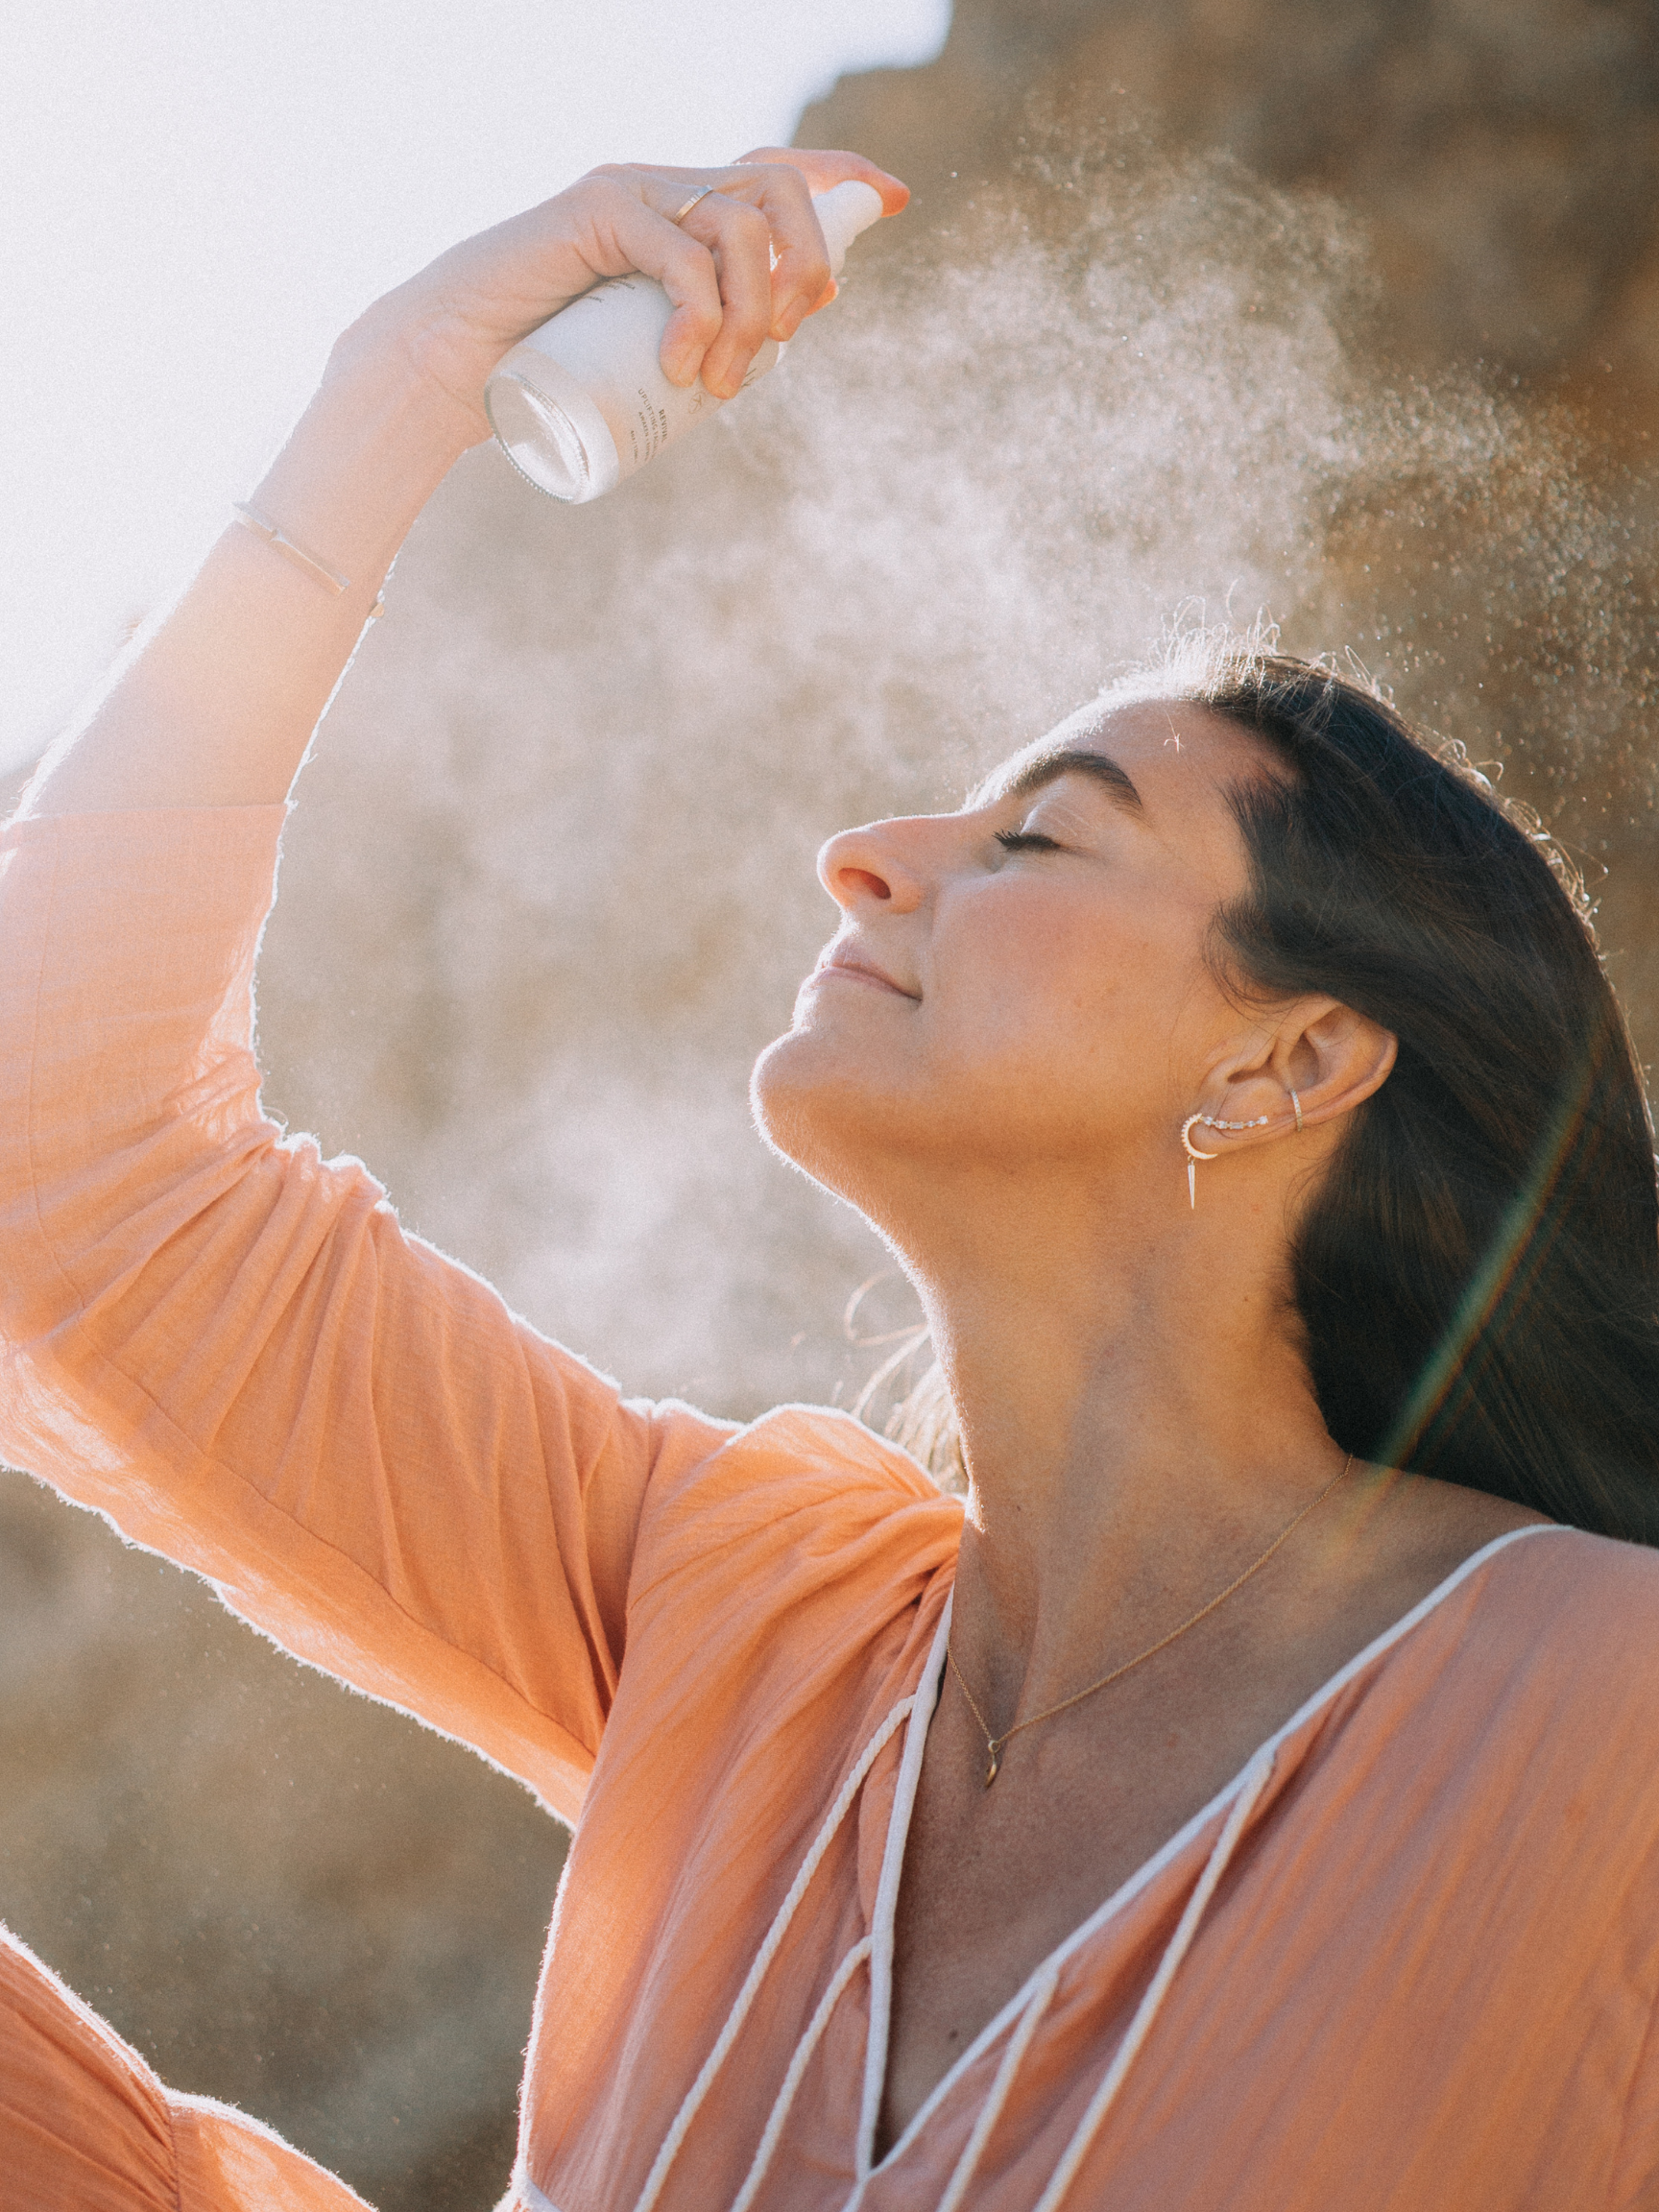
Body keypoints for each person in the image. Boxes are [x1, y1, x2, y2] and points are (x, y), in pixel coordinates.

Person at [1, 142, 1656, 2212]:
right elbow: (67, 1169)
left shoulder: (1607, 1719)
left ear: (1297, 1053)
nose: (865, 853)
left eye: (1044, 836)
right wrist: (399, 384)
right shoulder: (754, 1616)